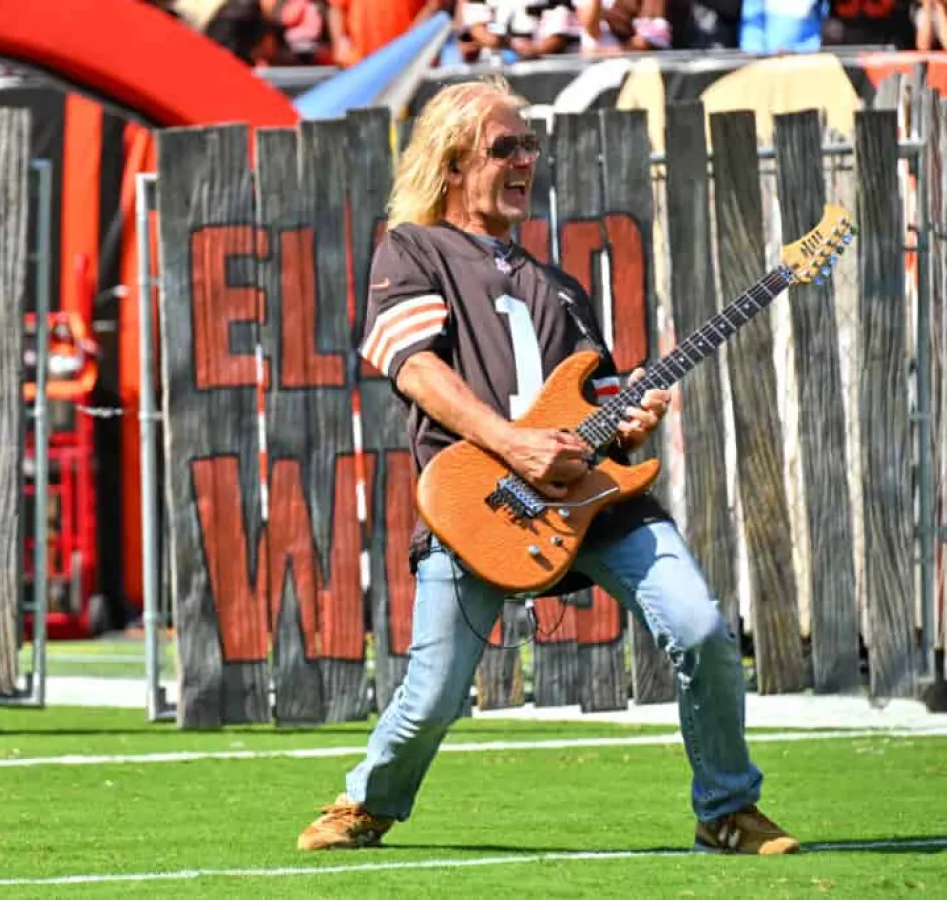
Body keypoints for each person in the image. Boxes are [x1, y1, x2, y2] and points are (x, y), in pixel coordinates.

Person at [296, 76, 800, 856]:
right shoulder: (414, 248)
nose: (526, 158)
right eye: (507, 146)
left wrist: (631, 411)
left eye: (531, 145)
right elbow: (415, 368)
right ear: (455, 161)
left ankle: (726, 808)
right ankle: (368, 803)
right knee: (431, 696)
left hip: (592, 501)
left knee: (701, 630)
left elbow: (595, 400)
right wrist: (511, 441)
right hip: (479, 499)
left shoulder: (557, 286)